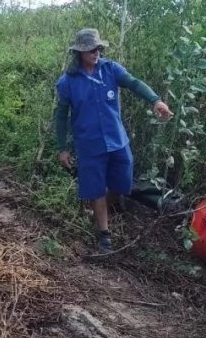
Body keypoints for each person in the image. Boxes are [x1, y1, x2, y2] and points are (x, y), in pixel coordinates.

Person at [54, 28, 173, 253]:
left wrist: (156, 101)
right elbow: (60, 116)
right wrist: (62, 148)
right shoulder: (68, 81)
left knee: (122, 183)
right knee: (96, 188)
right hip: (89, 144)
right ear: (79, 52)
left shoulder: (110, 69)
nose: (96, 52)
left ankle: (100, 211)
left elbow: (134, 83)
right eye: (91, 49)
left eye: (98, 48)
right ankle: (104, 234)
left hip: (116, 140)